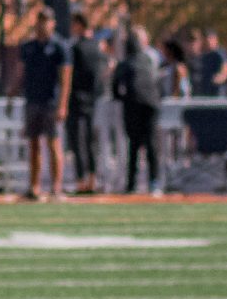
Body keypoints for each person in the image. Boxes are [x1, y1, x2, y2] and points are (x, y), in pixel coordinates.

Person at [11, 6, 71, 202]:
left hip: (51, 101)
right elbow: (21, 73)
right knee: (34, 143)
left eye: (46, 21)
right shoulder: (28, 47)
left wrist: (62, 105)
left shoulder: (60, 47)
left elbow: (65, 78)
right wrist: (12, 92)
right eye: (40, 20)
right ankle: (34, 187)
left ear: (52, 23)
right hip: (33, 100)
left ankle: (56, 188)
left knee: (53, 143)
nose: (42, 25)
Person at [114, 25, 164, 195]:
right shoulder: (148, 60)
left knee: (136, 145)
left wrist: (123, 98)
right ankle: (151, 182)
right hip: (150, 105)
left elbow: (116, 88)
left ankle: (133, 184)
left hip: (135, 105)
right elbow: (158, 84)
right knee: (149, 145)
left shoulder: (128, 62)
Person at [65, 11, 106, 194]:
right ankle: (92, 178)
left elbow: (69, 74)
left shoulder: (76, 47)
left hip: (76, 98)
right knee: (90, 140)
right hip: (93, 99)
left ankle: (81, 180)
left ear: (79, 24)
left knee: (76, 140)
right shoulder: (97, 47)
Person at [191, 28, 227, 98]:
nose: (209, 41)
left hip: (217, 91)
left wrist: (220, 77)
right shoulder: (205, 54)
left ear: (216, 39)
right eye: (207, 39)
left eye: (211, 39)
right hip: (205, 91)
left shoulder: (220, 53)